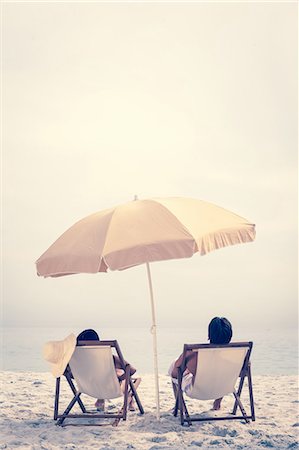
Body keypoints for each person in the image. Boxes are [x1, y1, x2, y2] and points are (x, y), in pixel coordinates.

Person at [169, 317, 233, 410]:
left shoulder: (194, 353)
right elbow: (243, 373)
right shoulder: (237, 355)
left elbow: (175, 373)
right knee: (222, 375)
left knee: (174, 366)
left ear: (210, 334)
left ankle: (180, 406)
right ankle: (217, 404)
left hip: (198, 392)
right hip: (224, 389)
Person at [76, 329, 141, 412]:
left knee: (104, 374)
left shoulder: (76, 360)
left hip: (87, 388)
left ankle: (101, 399)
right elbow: (132, 371)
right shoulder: (109, 358)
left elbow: (68, 374)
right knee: (126, 375)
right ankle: (130, 399)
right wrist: (119, 378)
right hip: (110, 389)